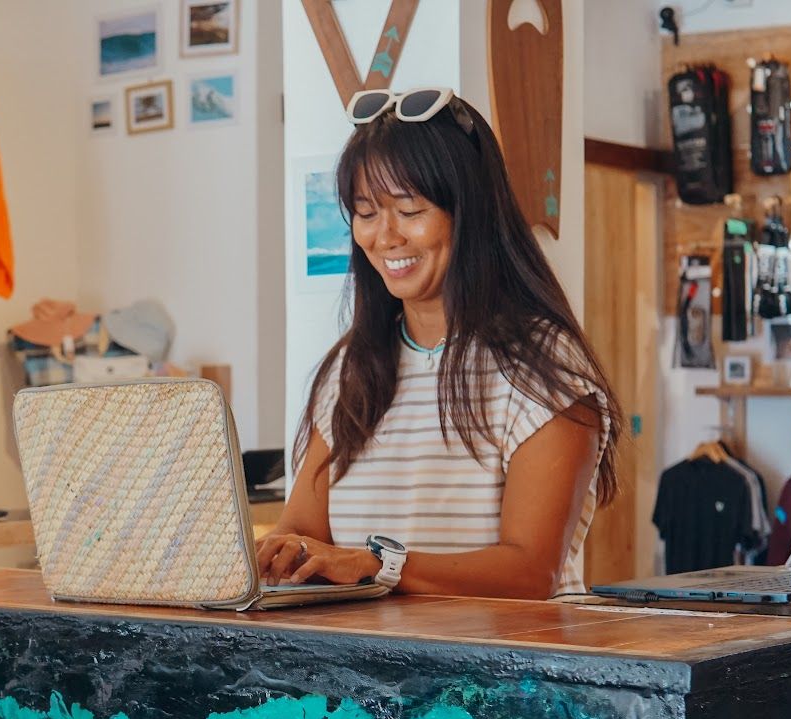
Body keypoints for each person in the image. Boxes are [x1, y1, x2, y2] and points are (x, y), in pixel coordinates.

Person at [258, 88, 622, 600]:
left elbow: (530, 573)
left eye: (409, 209)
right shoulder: (350, 369)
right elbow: (303, 533)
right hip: (365, 654)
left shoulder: (544, 369)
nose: (385, 237)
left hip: (504, 655)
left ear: (470, 213)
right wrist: (273, 553)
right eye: (366, 212)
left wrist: (378, 565)